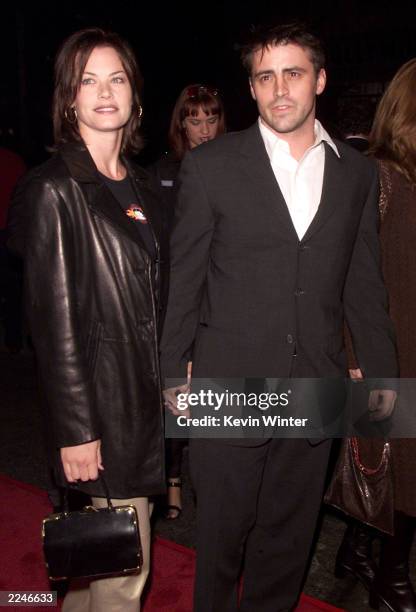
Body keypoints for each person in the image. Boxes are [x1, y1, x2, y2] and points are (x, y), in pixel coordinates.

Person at [159, 21, 398, 612]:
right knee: (220, 542)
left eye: (292, 73)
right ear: (252, 88)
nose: (279, 89)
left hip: (315, 383)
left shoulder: (357, 173)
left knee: (288, 544)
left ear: (319, 79)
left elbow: (364, 285)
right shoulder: (211, 166)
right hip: (227, 380)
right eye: (265, 77)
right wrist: (170, 375)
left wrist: (383, 386)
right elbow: (184, 279)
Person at [7, 28, 167, 611]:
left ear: (135, 95)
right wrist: (77, 431)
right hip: (100, 411)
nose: (105, 92)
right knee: (127, 571)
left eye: (116, 78)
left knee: (100, 566)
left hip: (140, 401)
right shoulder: (55, 190)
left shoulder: (145, 185)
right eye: (88, 81)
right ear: (68, 99)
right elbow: (55, 325)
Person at [335, 59, 416, 612]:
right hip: (386, 345)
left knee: (385, 465)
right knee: (400, 469)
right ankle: (392, 579)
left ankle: (355, 554)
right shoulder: (379, 176)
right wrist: (355, 354)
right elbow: (344, 272)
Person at [150, 84, 226, 519]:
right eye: (193, 119)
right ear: (180, 124)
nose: (203, 128)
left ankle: (202, 481)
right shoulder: (162, 171)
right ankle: (172, 476)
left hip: (218, 297)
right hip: (175, 294)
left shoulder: (232, 166)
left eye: (210, 118)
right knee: (175, 386)